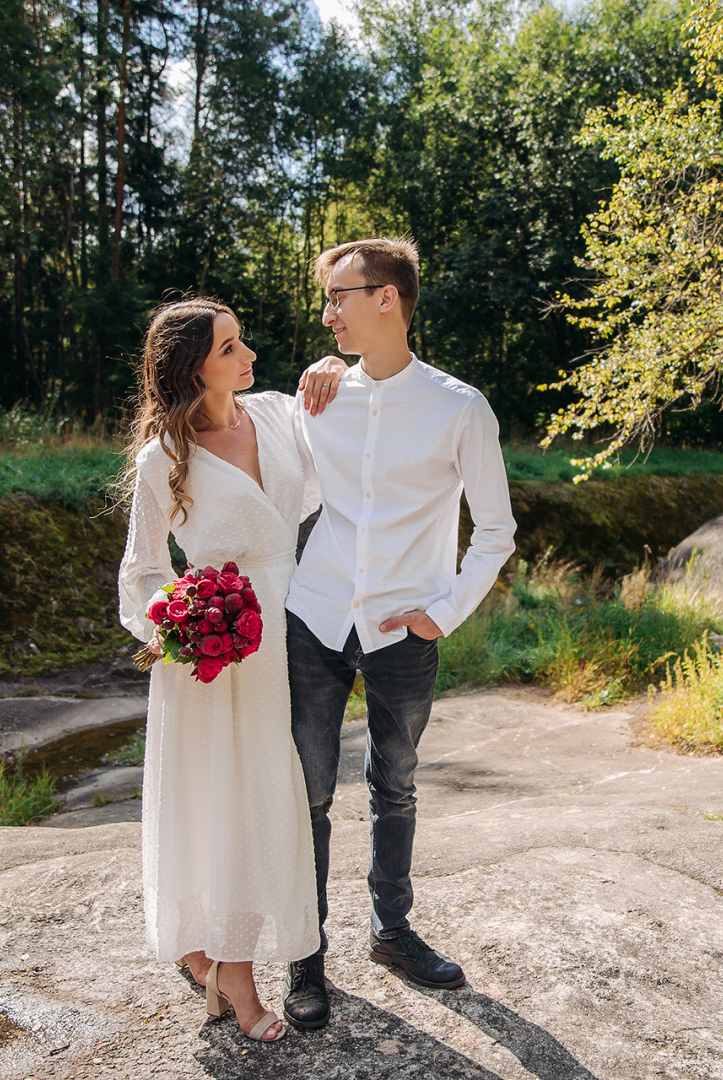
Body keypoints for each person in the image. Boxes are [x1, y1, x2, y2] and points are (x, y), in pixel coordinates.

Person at [281, 237, 518, 1031]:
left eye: (340, 296)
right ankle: (303, 957)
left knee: (397, 784)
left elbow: (495, 531)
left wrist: (440, 613)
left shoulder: (460, 407)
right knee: (307, 794)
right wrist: (321, 370)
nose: (328, 312)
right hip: (313, 616)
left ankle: (391, 932)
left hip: (402, 632)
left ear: (388, 298)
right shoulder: (318, 398)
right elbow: (275, 477)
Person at [118, 296, 325, 1044]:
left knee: (269, 794)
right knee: (222, 802)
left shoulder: (274, 414)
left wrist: (333, 368)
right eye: (231, 348)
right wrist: (181, 622)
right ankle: (232, 972)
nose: (249, 357)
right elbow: (141, 573)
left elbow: (339, 422)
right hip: (215, 654)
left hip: (286, 628)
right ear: (193, 369)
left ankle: (217, 962)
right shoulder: (160, 459)